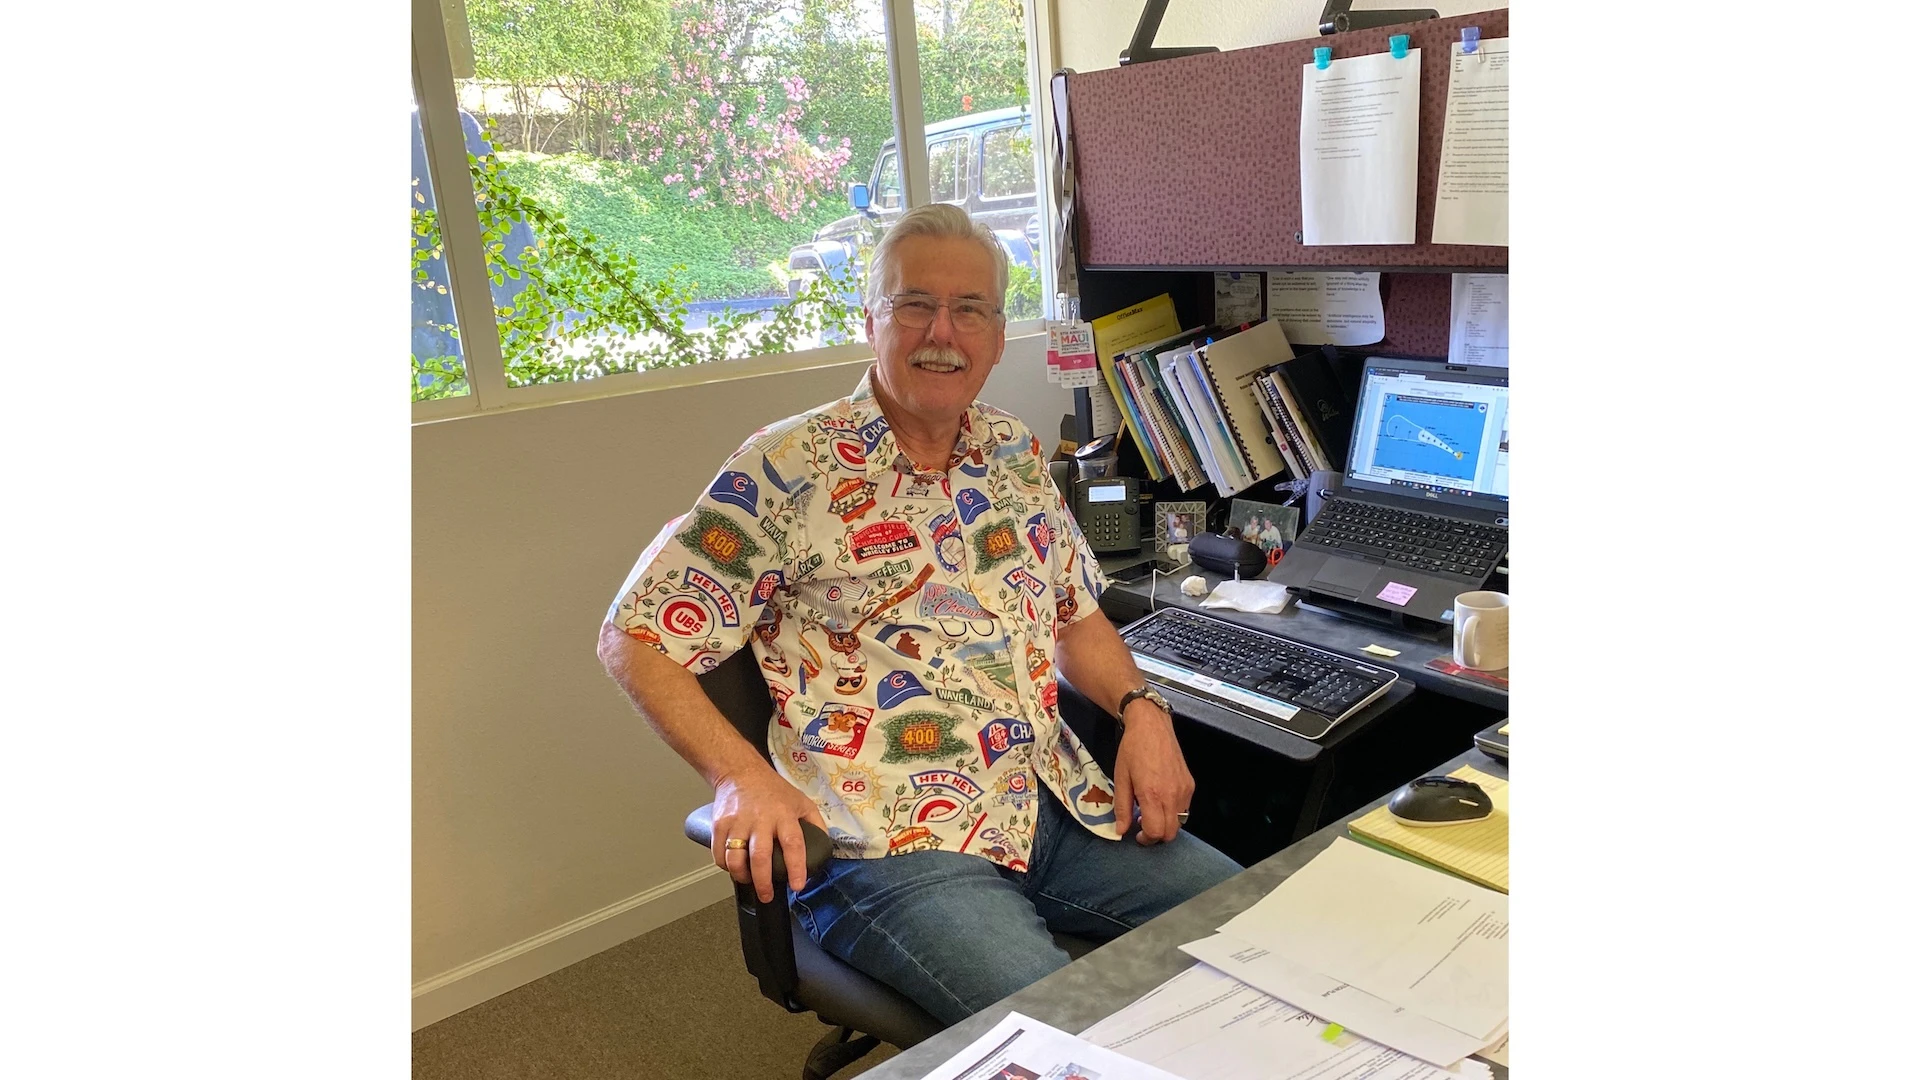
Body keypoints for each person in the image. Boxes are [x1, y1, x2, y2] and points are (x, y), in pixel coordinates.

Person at [597, 204, 1239, 1026]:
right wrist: (739, 777)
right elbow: (634, 634)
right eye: (914, 305)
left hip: (1046, 801)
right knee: (1065, 1037)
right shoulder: (791, 466)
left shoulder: (1013, 451)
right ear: (872, 321)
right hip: (885, 844)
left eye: (970, 309)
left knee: (1260, 927)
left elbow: (1075, 614)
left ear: (998, 336)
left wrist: (1143, 712)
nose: (944, 331)